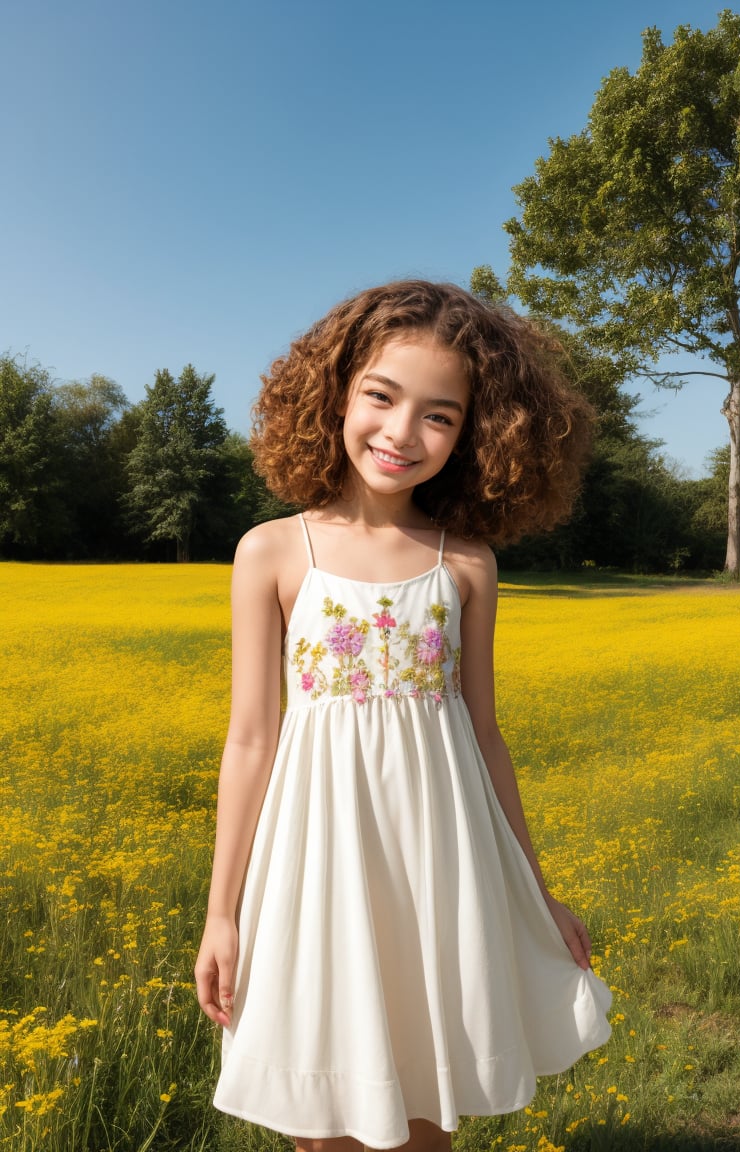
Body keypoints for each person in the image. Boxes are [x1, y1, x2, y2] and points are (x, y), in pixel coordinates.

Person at [195, 280, 612, 1152]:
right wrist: (222, 913)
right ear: (337, 391)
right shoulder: (272, 550)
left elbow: (486, 735)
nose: (400, 432)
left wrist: (537, 890)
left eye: (440, 415)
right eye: (381, 396)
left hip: (439, 860)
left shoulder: (466, 564)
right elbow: (251, 738)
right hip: (319, 858)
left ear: (475, 435)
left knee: (429, 1090)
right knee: (327, 1102)